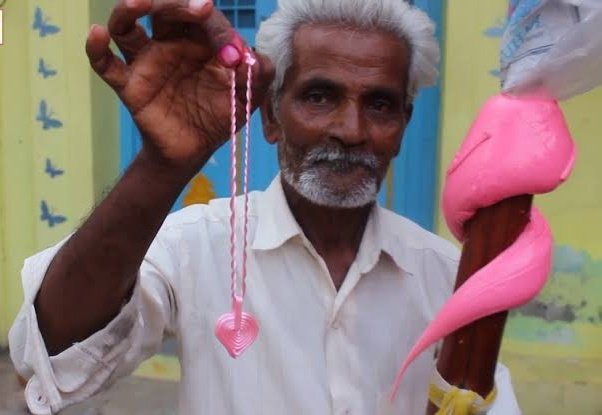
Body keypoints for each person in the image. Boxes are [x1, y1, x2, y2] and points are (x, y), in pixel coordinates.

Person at [9, 0, 521, 413]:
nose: (351, 130)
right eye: (319, 96)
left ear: (404, 126)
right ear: (271, 118)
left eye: (380, 105)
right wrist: (160, 167)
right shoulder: (196, 245)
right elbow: (51, 354)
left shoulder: (447, 276)